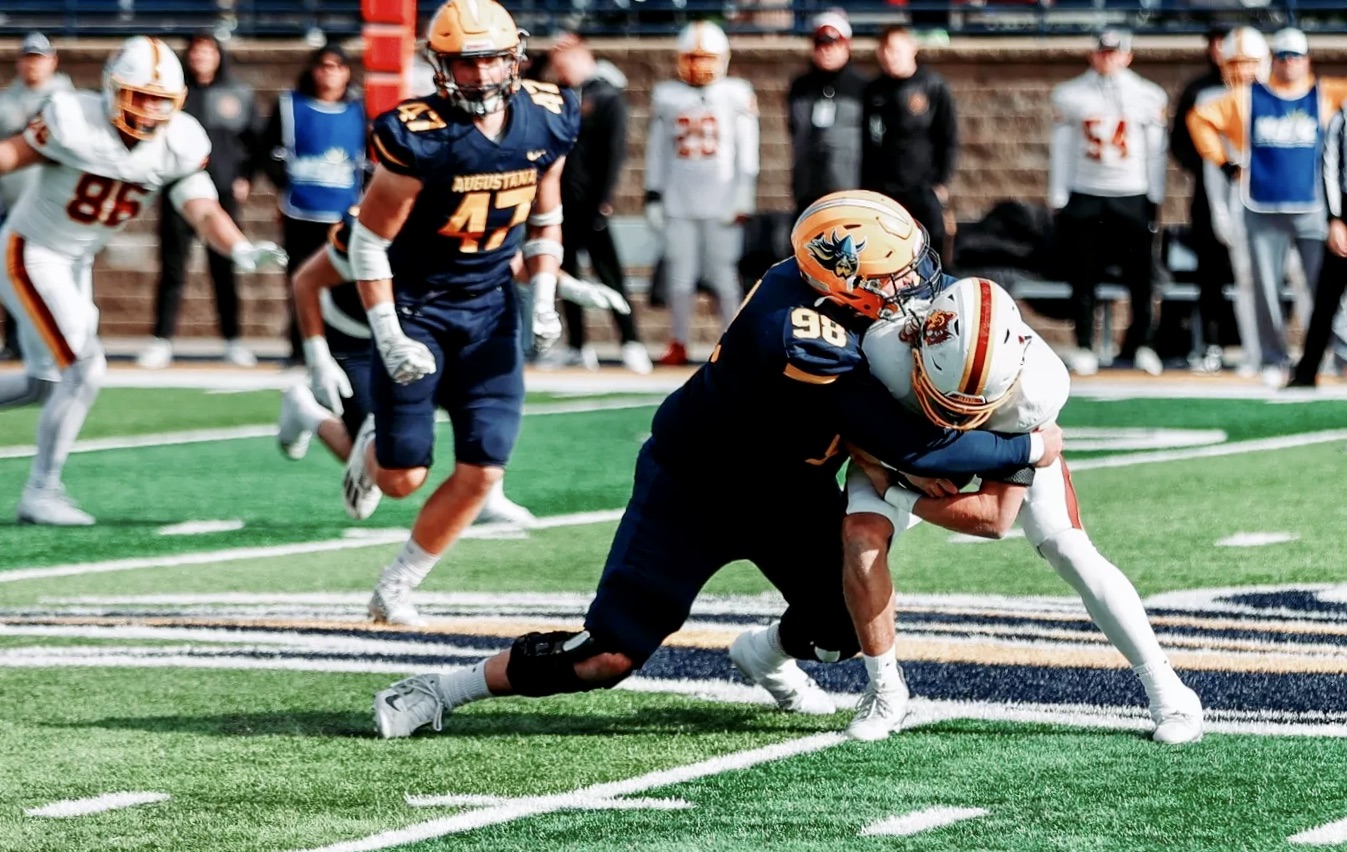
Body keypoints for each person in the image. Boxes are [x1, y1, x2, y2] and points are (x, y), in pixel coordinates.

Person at [368, 191, 1064, 739]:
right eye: (892, 276)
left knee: (842, 628)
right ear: (841, 282)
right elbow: (910, 446)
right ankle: (443, 687)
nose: (910, 284)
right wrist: (1029, 447)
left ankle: (762, 653)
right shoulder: (800, 331)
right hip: (696, 486)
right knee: (605, 656)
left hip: (791, 488)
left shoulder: (833, 292)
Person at [804, 277, 1203, 744]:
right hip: (901, 449)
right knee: (860, 539)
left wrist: (900, 494)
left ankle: (1169, 693)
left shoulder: (1035, 387)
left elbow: (994, 518)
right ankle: (886, 691)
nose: (956, 420)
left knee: (1068, 547)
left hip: (1001, 443)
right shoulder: (884, 348)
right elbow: (846, 421)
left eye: (970, 407)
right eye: (946, 401)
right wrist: (884, 467)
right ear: (917, 349)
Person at [340, 0, 579, 626]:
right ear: (440, 66)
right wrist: (389, 334)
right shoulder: (418, 133)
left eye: (491, 60)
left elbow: (546, 215)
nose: (478, 75)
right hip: (418, 308)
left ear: (515, 57)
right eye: (463, 63)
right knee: (400, 478)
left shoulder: (547, 118)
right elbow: (368, 242)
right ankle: (372, 445)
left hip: (492, 308)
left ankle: (395, 588)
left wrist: (546, 295)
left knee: (484, 466)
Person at [0, 36, 285, 525]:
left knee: (47, 384)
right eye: (140, 94)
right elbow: (10, 155)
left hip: (76, 261)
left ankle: (43, 487)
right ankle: (41, 491)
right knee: (85, 369)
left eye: (160, 99)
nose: (149, 109)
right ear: (112, 88)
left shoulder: (180, 142)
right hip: (31, 252)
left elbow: (202, 206)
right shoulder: (74, 119)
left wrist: (237, 245)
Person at [278, 207, 632, 525]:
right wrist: (318, 355)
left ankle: (485, 493)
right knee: (386, 467)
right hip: (355, 337)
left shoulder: (461, 206)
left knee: (479, 395)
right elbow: (307, 280)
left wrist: (562, 285)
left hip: (423, 329)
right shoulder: (374, 222)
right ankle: (308, 412)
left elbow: (502, 260)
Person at [1189, 28, 1347, 385]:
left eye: (1295, 56)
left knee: (1323, 290)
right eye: (1283, 56)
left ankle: (1331, 354)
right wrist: (1226, 162)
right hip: (1260, 205)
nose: (1289, 63)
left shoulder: (1325, 94)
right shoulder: (1244, 98)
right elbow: (1199, 119)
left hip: (1313, 206)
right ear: (1273, 60)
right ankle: (1272, 357)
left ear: (1307, 60)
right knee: (1263, 289)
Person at [137, 32, 261, 370]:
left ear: (219, 55)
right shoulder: (175, 95)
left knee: (225, 267)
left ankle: (233, 339)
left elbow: (256, 142)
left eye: (208, 51)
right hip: (179, 190)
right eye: (196, 51)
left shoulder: (236, 94)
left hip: (221, 194)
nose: (201, 57)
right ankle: (161, 340)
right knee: (173, 267)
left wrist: (245, 177)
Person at [1049, 29, 1168, 377]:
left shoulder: (1147, 94)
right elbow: (1063, 148)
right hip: (1087, 190)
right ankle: (1084, 343)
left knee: (1142, 275)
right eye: (1103, 52)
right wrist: (1059, 194)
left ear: (1127, 56)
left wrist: (1154, 194)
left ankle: (1143, 343)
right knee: (1083, 274)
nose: (1109, 58)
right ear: (1092, 54)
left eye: (1115, 53)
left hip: (1131, 191)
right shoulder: (1071, 94)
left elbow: (1155, 151)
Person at [644, 21, 759, 367]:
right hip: (679, 200)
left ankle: (733, 342)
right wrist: (653, 193)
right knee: (680, 278)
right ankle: (678, 341)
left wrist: (744, 194)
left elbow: (747, 149)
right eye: (692, 58)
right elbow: (657, 151)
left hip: (722, 201)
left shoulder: (735, 93)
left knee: (725, 277)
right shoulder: (668, 96)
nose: (698, 65)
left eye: (705, 57)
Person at [541, 34, 650, 374]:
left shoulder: (605, 96)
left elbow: (614, 153)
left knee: (609, 275)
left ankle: (631, 341)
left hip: (591, 204)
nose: (559, 72)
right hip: (563, 203)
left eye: (564, 65)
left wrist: (604, 199)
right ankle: (577, 345)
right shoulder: (562, 95)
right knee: (567, 273)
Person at [257, 43, 366, 365]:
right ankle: (300, 347)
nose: (329, 73)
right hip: (300, 210)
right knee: (300, 279)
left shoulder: (361, 110)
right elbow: (267, 151)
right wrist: (284, 181)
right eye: (323, 66)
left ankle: (340, 347)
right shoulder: (290, 105)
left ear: (347, 72)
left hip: (343, 213)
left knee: (344, 282)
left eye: (337, 66)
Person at [0, 33, 72, 363]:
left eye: (39, 57)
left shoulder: (67, 101)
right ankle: (18, 343)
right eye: (28, 57)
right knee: (11, 277)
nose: (33, 64)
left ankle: (61, 341)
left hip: (54, 208)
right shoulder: (5, 100)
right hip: (9, 203)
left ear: (52, 61)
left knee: (52, 277)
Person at [860, 26, 957, 264]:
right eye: (884, 50)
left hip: (922, 187)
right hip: (884, 190)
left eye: (895, 49)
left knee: (929, 253)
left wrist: (941, 181)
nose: (889, 56)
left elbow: (948, 137)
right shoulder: (874, 91)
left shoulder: (932, 86)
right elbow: (866, 142)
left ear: (912, 49)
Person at [1170, 24, 1236, 371]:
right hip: (1210, 191)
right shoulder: (1199, 90)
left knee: (1256, 272)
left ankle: (1258, 344)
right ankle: (1211, 342)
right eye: (1216, 43)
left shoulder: (1261, 88)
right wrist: (1211, 166)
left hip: (1254, 190)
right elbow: (1180, 141)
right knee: (1210, 271)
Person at [787, 10, 866, 218]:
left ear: (847, 45)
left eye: (833, 44)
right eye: (820, 44)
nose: (826, 51)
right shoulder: (801, 86)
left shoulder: (861, 86)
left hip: (848, 189)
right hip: (807, 187)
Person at [1290, 103, 1347, 387]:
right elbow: (1330, 167)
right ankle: (1306, 370)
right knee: (1327, 298)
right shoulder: (1343, 115)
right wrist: (1335, 218)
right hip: (1345, 217)